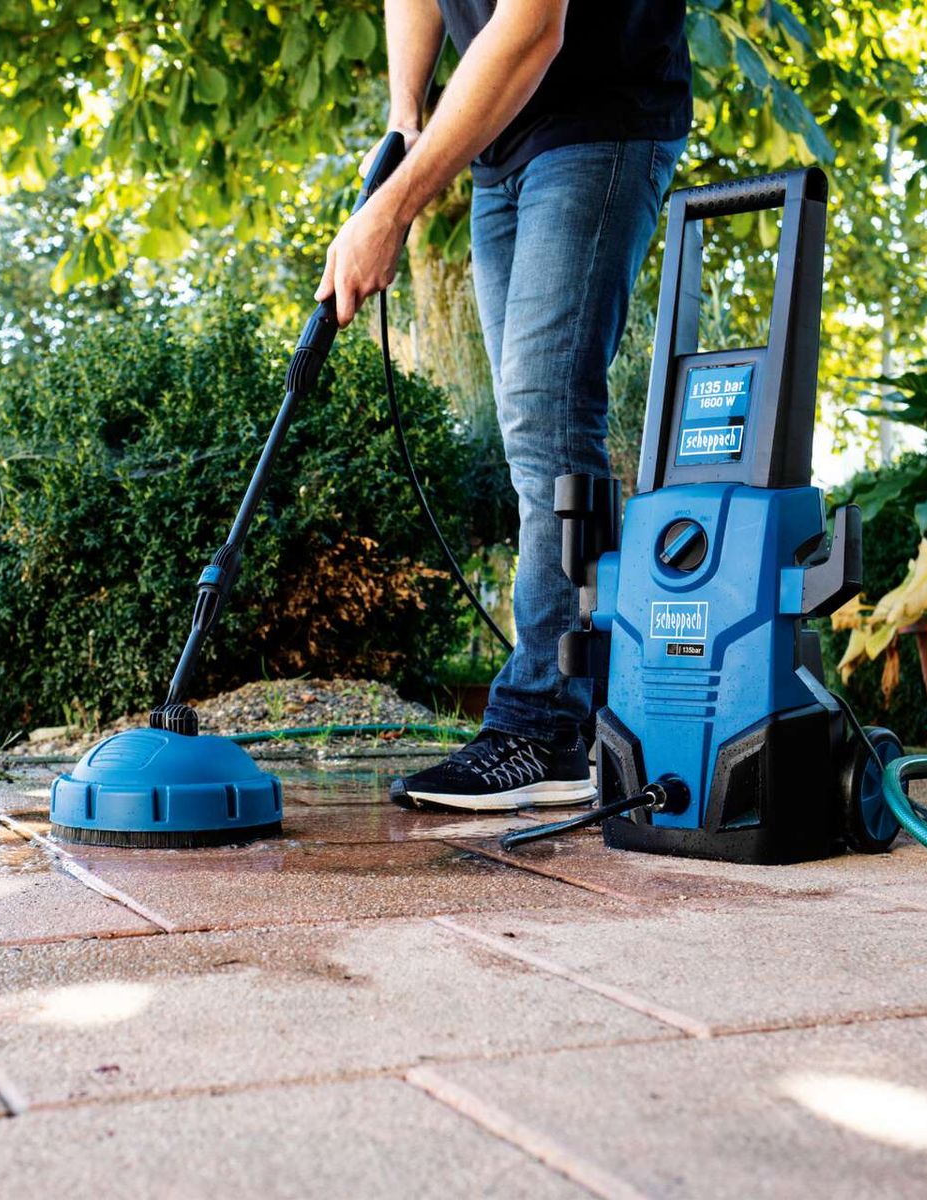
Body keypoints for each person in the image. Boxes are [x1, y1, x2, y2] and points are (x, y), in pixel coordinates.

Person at [317, 0, 691, 811]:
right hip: (501, 144)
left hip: (601, 113)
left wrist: (393, 207)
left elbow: (532, 27)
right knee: (537, 438)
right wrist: (405, 114)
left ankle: (546, 724)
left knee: (548, 412)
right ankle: (579, 711)